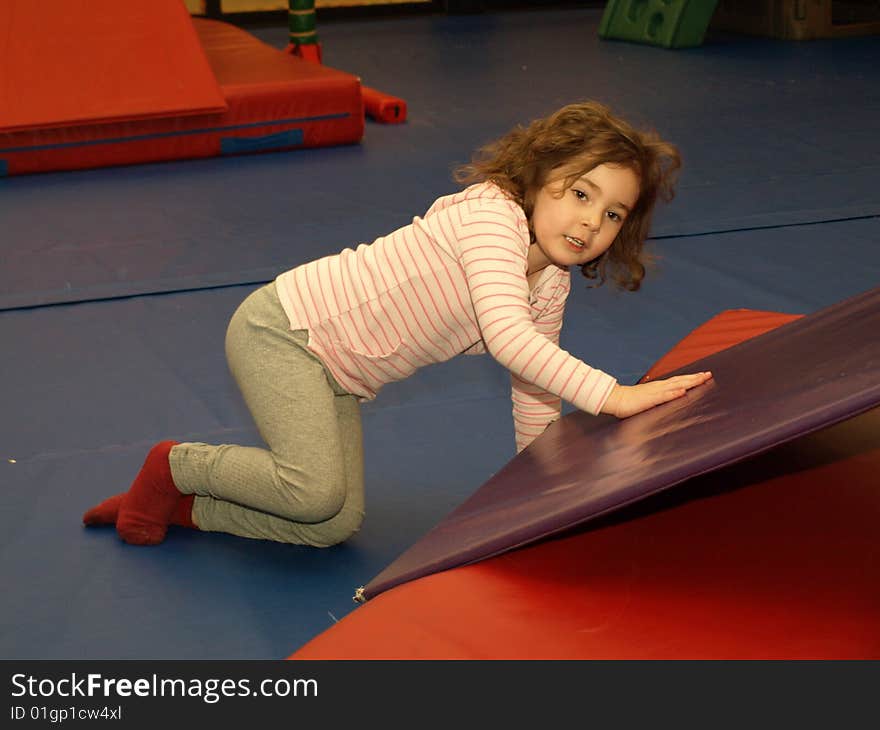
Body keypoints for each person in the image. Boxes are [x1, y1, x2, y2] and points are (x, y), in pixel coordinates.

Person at [83, 100, 712, 548]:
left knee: (328, 522)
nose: (590, 223)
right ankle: (175, 466)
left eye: (611, 214)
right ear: (541, 175)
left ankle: (192, 509)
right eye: (580, 193)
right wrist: (614, 397)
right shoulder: (491, 218)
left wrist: (544, 495)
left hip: (337, 374)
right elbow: (509, 340)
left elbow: (534, 391)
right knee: (312, 491)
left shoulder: (549, 280)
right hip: (284, 332)